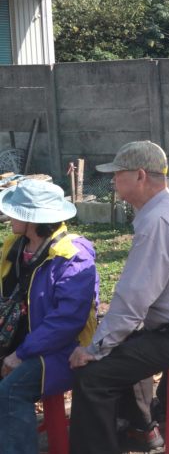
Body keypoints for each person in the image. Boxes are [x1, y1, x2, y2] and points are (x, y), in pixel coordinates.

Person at [69, 141, 169, 453]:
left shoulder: (158, 221)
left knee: (93, 376)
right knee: (123, 341)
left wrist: (94, 349)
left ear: (140, 175)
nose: (114, 181)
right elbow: (136, 301)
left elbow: (132, 299)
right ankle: (142, 430)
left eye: (118, 174)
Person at [0, 181, 97, 454]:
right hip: (19, 341)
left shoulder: (73, 255)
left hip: (63, 351)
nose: (8, 216)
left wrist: (20, 354)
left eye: (15, 211)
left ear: (33, 219)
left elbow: (66, 322)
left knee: (11, 391)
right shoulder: (15, 246)